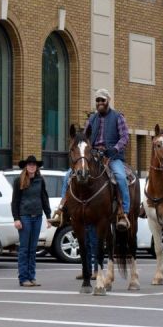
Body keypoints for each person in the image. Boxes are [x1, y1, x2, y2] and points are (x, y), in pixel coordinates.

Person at [51, 88, 132, 229]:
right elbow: (85, 138)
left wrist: (115, 149)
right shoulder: (92, 119)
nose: (99, 102)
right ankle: (62, 209)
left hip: (112, 156)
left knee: (120, 177)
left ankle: (123, 212)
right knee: (68, 176)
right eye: (97, 100)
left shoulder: (118, 117)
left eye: (102, 100)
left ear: (108, 101)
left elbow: (125, 137)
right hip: (92, 155)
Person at [11, 155, 51, 287]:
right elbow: (15, 201)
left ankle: (32, 276)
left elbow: (44, 199)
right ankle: (23, 278)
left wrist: (49, 216)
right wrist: (16, 218)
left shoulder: (40, 180)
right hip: (25, 217)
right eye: (29, 164)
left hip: (37, 217)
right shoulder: (19, 181)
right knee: (24, 249)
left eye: (34, 164)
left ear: (37, 167)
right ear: (25, 167)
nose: (32, 166)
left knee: (33, 249)